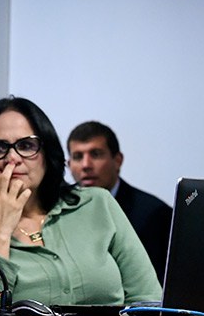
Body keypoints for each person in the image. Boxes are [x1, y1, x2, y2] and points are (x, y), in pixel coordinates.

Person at [0, 97, 161, 306]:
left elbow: (149, 299)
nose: (12, 157)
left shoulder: (97, 203)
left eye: (26, 145)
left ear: (47, 154)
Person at [66, 121, 172, 282]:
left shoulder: (154, 214)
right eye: (78, 157)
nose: (86, 165)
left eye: (96, 154)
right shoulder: (56, 208)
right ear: (69, 164)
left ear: (118, 160)